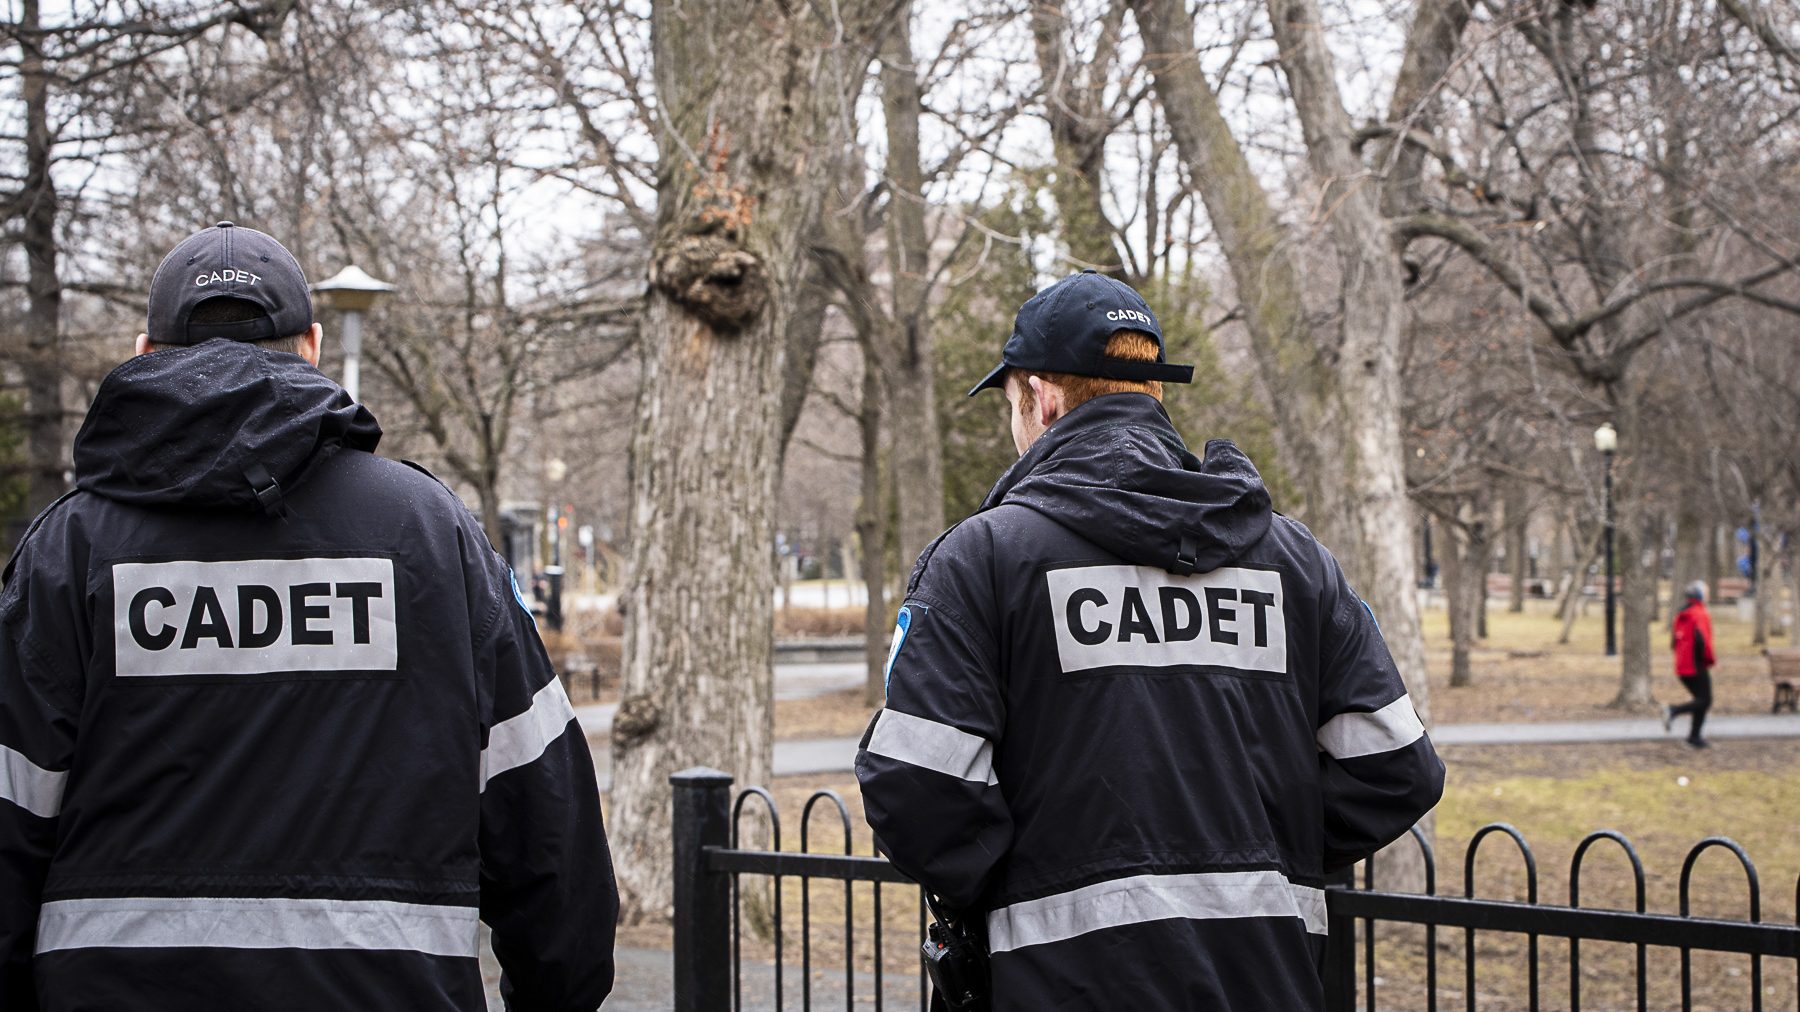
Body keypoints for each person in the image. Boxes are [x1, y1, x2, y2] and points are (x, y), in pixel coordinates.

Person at [0, 222, 617, 1011]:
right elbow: (546, 821)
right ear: (315, 346)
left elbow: (11, 822)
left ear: (144, 351)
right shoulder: (432, 536)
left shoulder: (70, 551)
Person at [855, 270, 1446, 1010]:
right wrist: (1254, 846)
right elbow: (1396, 768)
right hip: (1266, 983)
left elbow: (917, 791)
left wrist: (1025, 878)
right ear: (1152, 394)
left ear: (1041, 397)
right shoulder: (1295, 564)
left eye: (1011, 405)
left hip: (1058, 986)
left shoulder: (985, 561)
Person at [1664, 580, 1716, 749]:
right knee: (1705, 700)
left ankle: (1694, 737)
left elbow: (1673, 642)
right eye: (1706, 593)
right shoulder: (1700, 614)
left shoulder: (1682, 613)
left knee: (1701, 699)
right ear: (1700, 596)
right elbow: (1703, 641)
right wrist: (1710, 660)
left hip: (1682, 665)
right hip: (1696, 664)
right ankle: (1673, 711)